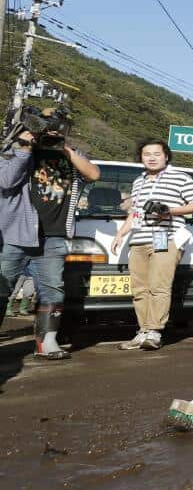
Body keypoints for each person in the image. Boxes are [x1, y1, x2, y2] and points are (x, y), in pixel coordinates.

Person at [0, 119, 100, 359]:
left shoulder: (72, 156)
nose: (53, 134)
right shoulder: (14, 153)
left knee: (53, 291)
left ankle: (47, 343)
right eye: (48, 131)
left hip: (54, 237)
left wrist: (66, 149)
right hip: (15, 235)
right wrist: (25, 148)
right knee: (2, 289)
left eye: (60, 131)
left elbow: (94, 174)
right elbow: (6, 182)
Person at [111, 140, 193, 350]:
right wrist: (120, 234)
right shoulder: (138, 181)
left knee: (159, 286)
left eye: (156, 154)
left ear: (166, 156)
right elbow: (135, 213)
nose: (151, 158)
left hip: (167, 238)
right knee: (139, 289)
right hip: (139, 239)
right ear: (141, 157)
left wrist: (168, 211)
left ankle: (154, 331)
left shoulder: (180, 177)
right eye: (146, 154)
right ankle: (142, 331)